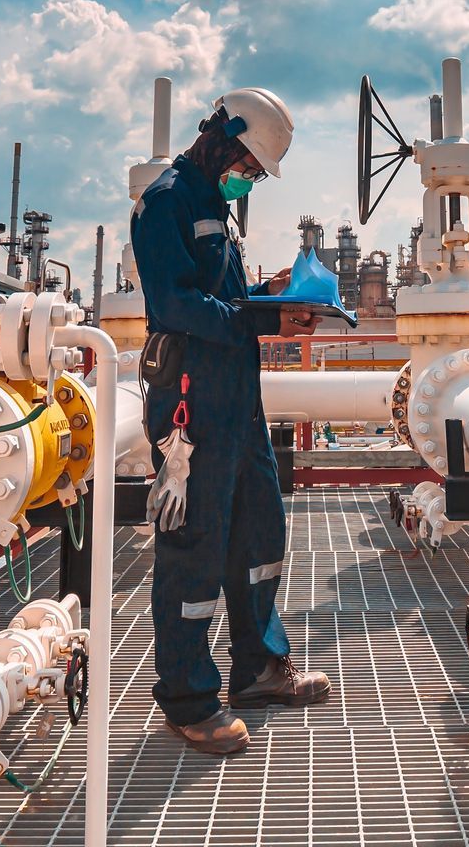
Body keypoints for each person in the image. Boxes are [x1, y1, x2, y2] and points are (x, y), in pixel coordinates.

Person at [131, 86, 332, 755]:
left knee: (257, 534)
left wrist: (271, 295)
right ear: (222, 136)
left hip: (238, 404)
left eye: (255, 169)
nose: (249, 176)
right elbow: (176, 306)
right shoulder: (166, 202)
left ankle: (260, 672)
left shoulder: (218, 207)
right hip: (190, 401)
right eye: (247, 161)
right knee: (193, 548)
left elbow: (223, 296)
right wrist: (263, 321)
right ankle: (188, 699)